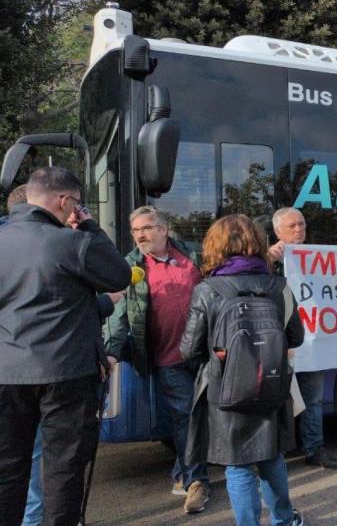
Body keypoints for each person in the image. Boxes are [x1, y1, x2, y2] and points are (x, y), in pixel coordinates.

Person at [0, 167, 131, 526]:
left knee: (8, 470)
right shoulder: (70, 243)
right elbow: (119, 274)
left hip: (6, 373)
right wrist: (89, 225)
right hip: (66, 374)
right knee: (62, 472)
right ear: (65, 201)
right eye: (76, 202)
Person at [181, 214, 306, 526]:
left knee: (237, 466)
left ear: (215, 246)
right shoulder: (279, 285)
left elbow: (189, 350)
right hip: (271, 385)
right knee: (272, 458)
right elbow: (297, 337)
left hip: (225, 390)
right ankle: (284, 520)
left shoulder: (207, 289)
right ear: (258, 242)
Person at [104, 206, 210, 513]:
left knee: (202, 414)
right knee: (186, 416)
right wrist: (111, 351)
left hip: (204, 352)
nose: (140, 235)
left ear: (164, 229)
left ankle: (183, 471)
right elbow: (119, 314)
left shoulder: (193, 256)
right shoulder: (130, 266)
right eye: (136, 230)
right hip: (167, 357)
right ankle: (196, 483)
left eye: (146, 228)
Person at [266, 207, 337, 469]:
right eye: (292, 226)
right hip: (277, 343)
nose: (299, 230)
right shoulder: (267, 259)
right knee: (274, 400)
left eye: (302, 225)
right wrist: (268, 261)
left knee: (313, 399)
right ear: (277, 232)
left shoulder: (315, 258)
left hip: (310, 341)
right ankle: (271, 453)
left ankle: (314, 449)